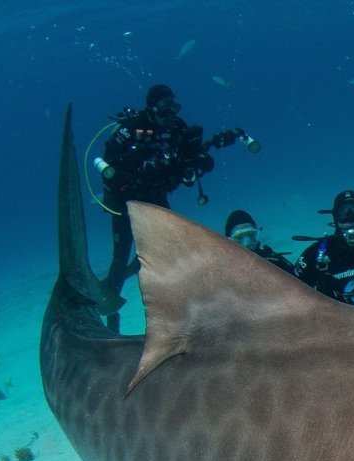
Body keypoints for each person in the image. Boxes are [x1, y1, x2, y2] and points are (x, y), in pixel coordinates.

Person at [98, 84, 252, 329]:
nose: (169, 113)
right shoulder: (131, 130)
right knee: (120, 256)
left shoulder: (177, 128)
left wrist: (199, 161)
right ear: (151, 107)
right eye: (163, 108)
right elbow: (108, 165)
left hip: (157, 197)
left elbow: (191, 161)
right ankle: (111, 319)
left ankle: (175, 313)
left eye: (173, 107)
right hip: (127, 202)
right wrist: (137, 173)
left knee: (164, 254)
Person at [224, 210, 295, 275]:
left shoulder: (272, 260)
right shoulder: (222, 265)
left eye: (251, 235)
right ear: (228, 240)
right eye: (239, 237)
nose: (247, 243)